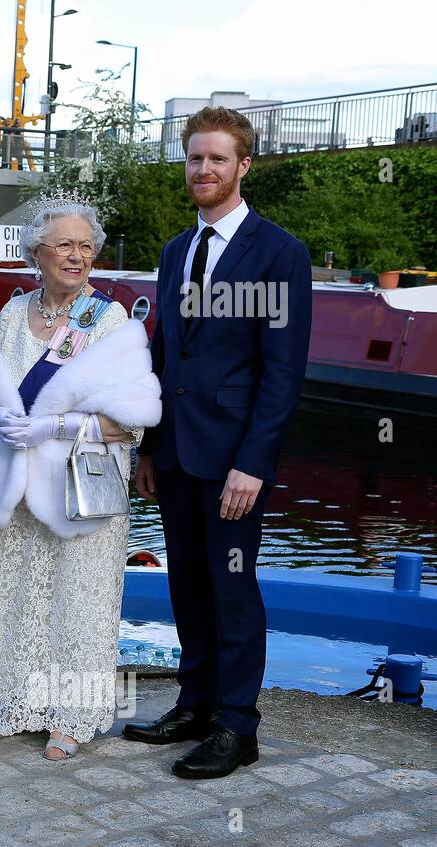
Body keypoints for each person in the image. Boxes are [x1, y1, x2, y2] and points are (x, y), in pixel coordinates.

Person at [125, 106, 312, 779]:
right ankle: (195, 705)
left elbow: (283, 370)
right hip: (175, 453)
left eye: (217, 159)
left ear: (243, 165)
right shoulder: (177, 251)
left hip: (234, 459)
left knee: (232, 590)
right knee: (189, 587)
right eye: (194, 158)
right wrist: (147, 447)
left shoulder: (279, 252)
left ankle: (238, 725)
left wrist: (252, 464)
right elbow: (164, 353)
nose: (203, 170)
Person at [0, 193, 161, 759]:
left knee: (80, 601)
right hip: (18, 483)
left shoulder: (111, 321)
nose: (77, 257)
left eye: (85, 247)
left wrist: (53, 425)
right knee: (17, 592)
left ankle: (71, 716)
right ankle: (8, 703)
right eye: (63, 246)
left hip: (82, 487)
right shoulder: (6, 319)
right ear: (36, 253)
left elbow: (132, 425)